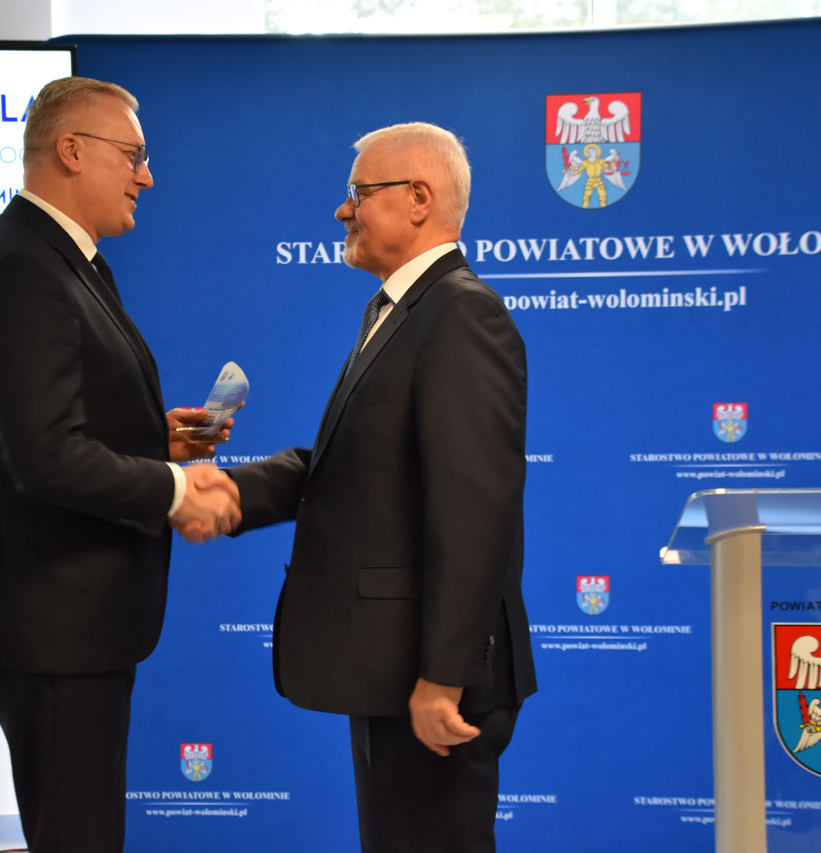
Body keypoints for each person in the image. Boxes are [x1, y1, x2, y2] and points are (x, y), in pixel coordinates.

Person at [211, 122, 536, 852]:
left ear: (419, 198)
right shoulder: (401, 312)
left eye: (357, 193)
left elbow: (475, 511)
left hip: (432, 679)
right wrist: (235, 494)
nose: (342, 210)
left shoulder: (461, 314)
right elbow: (358, 465)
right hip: (394, 667)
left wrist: (444, 677)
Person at [0, 76, 240, 853]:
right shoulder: (23, 267)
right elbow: (43, 455)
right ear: (71, 151)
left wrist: (153, 441)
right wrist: (175, 486)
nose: (148, 176)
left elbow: (58, 426)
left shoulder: (69, 261)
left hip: (76, 620)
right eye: (133, 156)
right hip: (53, 622)